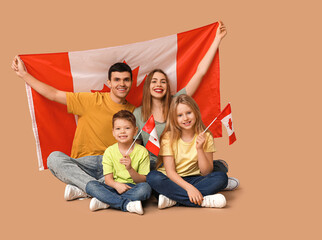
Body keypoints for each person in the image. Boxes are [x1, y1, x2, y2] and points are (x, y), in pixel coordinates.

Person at [133, 21, 239, 190]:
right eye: (154, 81)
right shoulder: (138, 114)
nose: (158, 84)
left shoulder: (178, 103)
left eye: (163, 81)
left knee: (219, 168)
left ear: (168, 87)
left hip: (187, 162)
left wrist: (216, 40)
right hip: (159, 166)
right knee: (154, 178)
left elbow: (200, 72)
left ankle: (190, 188)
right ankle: (203, 188)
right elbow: (135, 146)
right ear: (148, 87)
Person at [12, 57, 135, 200]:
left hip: (112, 167)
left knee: (139, 169)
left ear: (131, 82)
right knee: (54, 159)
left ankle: (86, 189)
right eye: (117, 80)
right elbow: (54, 94)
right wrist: (23, 74)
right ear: (109, 83)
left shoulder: (134, 112)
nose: (122, 84)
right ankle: (97, 188)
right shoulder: (91, 100)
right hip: (83, 163)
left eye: (126, 80)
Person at [147, 94, 228, 209]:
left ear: (195, 112)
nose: (185, 118)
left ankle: (173, 200)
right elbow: (170, 173)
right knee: (153, 177)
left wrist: (199, 149)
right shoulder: (167, 137)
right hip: (172, 180)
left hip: (195, 178)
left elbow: (206, 172)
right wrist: (189, 189)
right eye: (180, 115)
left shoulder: (206, 136)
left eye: (189, 113)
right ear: (174, 118)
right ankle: (204, 201)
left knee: (221, 178)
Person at [85, 110, 152, 215]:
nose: (122, 132)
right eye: (118, 128)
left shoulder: (142, 152)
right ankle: (126, 204)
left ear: (135, 131)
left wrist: (130, 169)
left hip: (133, 188)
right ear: (113, 132)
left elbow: (142, 180)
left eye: (127, 128)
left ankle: (107, 202)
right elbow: (108, 180)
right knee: (90, 185)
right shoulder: (109, 152)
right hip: (114, 187)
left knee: (146, 189)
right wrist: (116, 185)